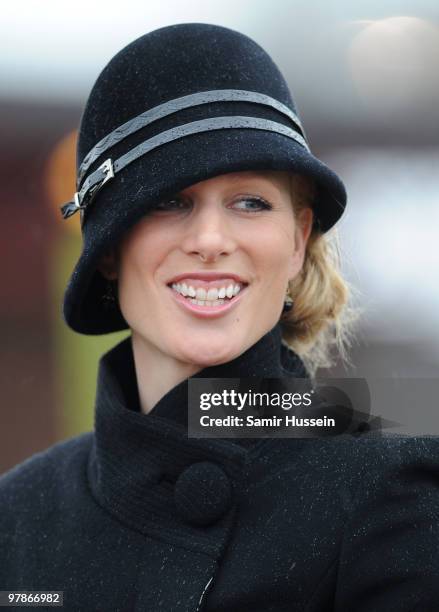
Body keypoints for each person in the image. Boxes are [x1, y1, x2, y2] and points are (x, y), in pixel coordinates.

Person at [1, 22, 439, 612]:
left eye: (250, 202)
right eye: (169, 199)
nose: (210, 239)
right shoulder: (18, 518)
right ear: (107, 247)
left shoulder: (391, 499)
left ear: (296, 241)